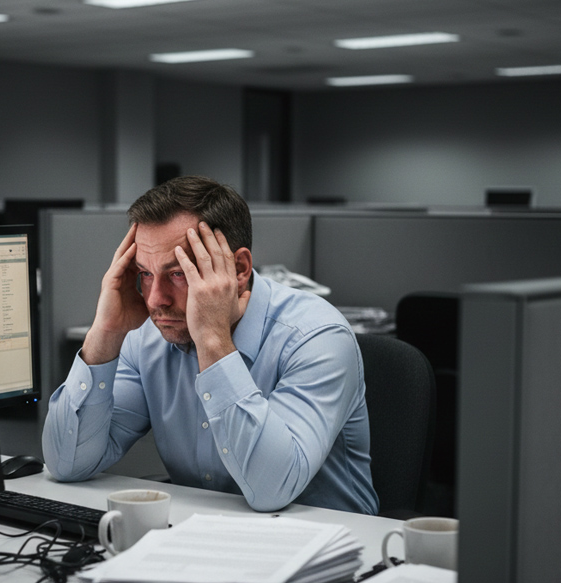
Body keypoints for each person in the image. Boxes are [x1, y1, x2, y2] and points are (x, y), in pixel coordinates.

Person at [42, 176, 378, 514]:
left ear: (240, 269)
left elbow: (272, 489)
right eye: (144, 274)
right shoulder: (146, 337)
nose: (156, 299)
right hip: (202, 541)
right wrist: (106, 331)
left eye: (178, 273)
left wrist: (213, 339)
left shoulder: (316, 336)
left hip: (331, 546)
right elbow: (67, 464)